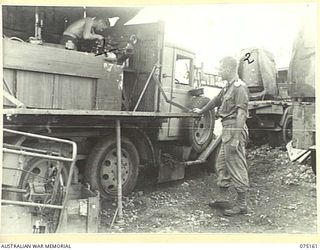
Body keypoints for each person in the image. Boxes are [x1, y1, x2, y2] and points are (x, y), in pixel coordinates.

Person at [193, 56, 250, 216]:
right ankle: (223, 199)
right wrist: (201, 111)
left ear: (228, 69)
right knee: (222, 165)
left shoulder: (240, 88)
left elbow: (241, 114)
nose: (218, 72)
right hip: (227, 129)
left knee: (237, 165)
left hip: (234, 129)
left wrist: (237, 139)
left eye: (220, 69)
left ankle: (242, 204)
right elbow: (215, 101)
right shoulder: (227, 88)